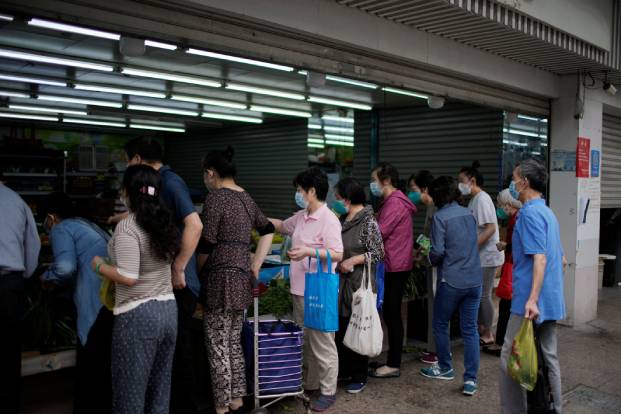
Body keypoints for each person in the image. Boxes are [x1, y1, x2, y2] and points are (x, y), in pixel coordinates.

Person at [121, 138, 204, 413]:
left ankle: (189, 408)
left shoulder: (169, 181)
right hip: (166, 285)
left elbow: (195, 224)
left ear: (135, 159)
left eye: (126, 160)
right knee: (170, 358)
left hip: (179, 283)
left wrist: (178, 267)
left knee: (178, 356)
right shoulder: (156, 183)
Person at [92, 164, 179, 414]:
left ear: (127, 192)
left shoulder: (128, 227)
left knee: (129, 396)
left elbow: (128, 276)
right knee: (159, 393)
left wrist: (99, 266)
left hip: (138, 316)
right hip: (167, 311)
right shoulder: (163, 221)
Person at [197, 147, 274, 414]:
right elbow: (267, 229)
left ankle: (221, 405)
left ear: (210, 173)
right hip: (241, 278)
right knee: (232, 341)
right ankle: (237, 399)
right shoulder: (245, 197)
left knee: (217, 343)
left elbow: (207, 242)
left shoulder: (216, 198)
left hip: (219, 279)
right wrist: (254, 264)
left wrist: (197, 268)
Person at [270, 167, 343, 412]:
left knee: (323, 343)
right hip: (299, 290)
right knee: (306, 342)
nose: (298, 194)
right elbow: (281, 226)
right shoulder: (302, 216)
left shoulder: (328, 219)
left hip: (318, 291)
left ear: (311, 191)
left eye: (300, 190)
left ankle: (328, 391)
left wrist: (308, 251)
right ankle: (310, 384)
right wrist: (254, 215)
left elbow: (337, 254)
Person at [500, 159, 566, 414]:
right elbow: (559, 258)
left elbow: (539, 257)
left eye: (515, 178)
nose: (513, 183)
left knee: (510, 357)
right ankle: (554, 408)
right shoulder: (548, 212)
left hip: (529, 302)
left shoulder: (528, 213)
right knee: (548, 357)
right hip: (550, 300)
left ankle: (515, 410)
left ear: (525, 182)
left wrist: (532, 299)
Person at [40, 193, 113, 414]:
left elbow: (65, 268)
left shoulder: (62, 229)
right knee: (103, 362)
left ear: (51, 217)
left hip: (91, 300)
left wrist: (45, 277)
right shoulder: (87, 225)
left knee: (90, 362)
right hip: (108, 299)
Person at [420, 176, 483, 397]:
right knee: (470, 330)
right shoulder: (469, 213)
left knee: (439, 324)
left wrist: (426, 257)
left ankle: (445, 367)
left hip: (452, 281)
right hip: (475, 280)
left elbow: (437, 252)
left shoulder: (439, 217)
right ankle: (471, 380)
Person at [333, 177, 384, 394]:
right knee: (343, 325)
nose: (335, 199)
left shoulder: (368, 221)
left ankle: (359, 375)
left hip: (360, 283)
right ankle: (344, 370)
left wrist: (353, 260)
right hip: (342, 282)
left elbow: (379, 253)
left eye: (338, 196)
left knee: (358, 325)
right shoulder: (344, 217)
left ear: (348, 197)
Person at [369, 163, 417, 378]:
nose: (372, 184)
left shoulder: (395, 204)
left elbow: (378, 234)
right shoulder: (391, 201)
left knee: (392, 314)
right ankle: (391, 359)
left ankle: (394, 363)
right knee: (390, 313)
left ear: (386, 180)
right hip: (395, 263)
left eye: (374, 179)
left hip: (394, 266)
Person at [0, 176, 41, 414]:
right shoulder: (17, 201)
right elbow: (33, 248)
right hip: (9, 286)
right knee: (7, 353)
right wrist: (24, 276)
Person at [458, 161, 504, 347]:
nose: (459, 184)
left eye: (461, 180)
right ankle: (482, 327)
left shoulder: (482, 199)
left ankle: (488, 332)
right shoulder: (474, 200)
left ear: (472, 180)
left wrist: (471, 249)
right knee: (480, 294)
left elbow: (490, 229)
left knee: (484, 295)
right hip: (480, 256)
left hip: (487, 257)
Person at [483, 189, 522, 357]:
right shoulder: (516, 218)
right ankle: (502, 342)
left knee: (506, 305)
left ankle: (500, 344)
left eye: (500, 204)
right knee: (508, 306)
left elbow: (520, 245)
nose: (499, 208)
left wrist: (505, 245)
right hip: (513, 265)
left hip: (513, 266)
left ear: (508, 204)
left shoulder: (517, 219)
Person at [408, 170, 438, 364]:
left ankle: (438, 352)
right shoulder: (430, 208)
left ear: (424, 189)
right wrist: (419, 251)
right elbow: (427, 236)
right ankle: (435, 349)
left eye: (413, 189)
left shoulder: (435, 208)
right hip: (430, 260)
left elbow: (434, 238)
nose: (412, 194)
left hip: (436, 264)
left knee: (437, 306)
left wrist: (422, 254)